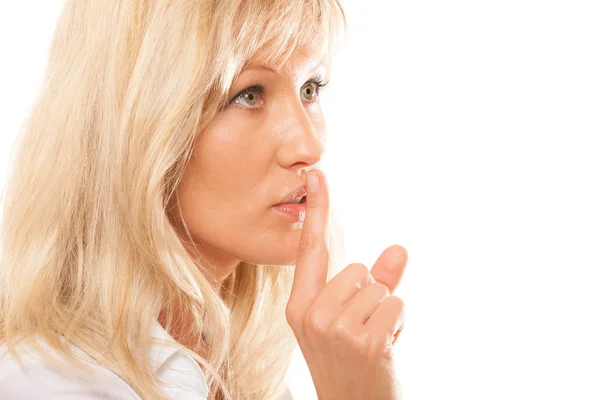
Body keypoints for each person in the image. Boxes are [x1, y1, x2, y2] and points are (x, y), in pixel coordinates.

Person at [0, 0, 408, 399]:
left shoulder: (246, 378)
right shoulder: (48, 384)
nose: (309, 144)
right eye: (249, 94)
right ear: (135, 126)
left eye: (309, 88)